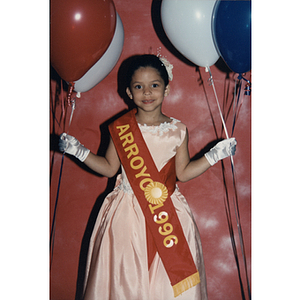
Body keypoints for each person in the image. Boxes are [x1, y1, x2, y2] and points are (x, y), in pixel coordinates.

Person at [59, 54, 236, 300]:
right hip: (126, 214)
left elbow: (183, 173)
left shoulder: (178, 130)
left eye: (154, 85)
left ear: (167, 88)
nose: (147, 92)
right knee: (126, 278)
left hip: (169, 215)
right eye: (138, 87)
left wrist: (214, 155)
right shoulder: (120, 127)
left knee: (166, 280)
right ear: (129, 93)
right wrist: (79, 151)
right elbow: (110, 168)